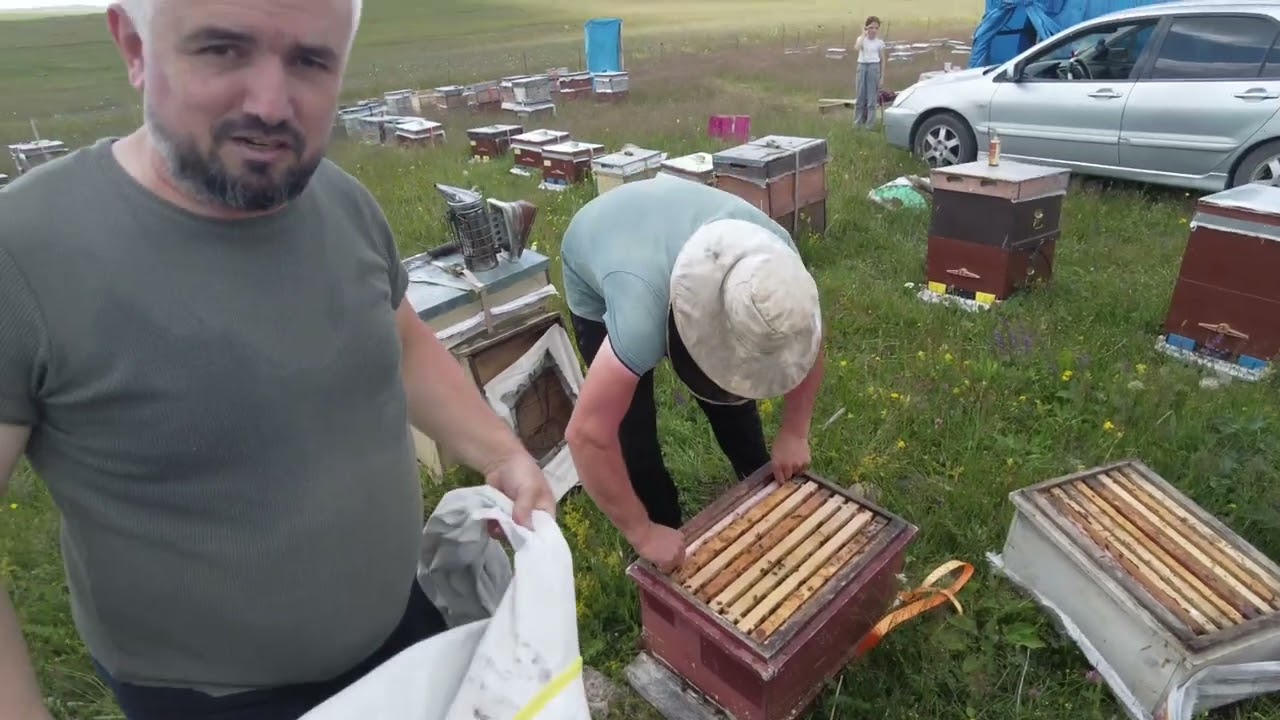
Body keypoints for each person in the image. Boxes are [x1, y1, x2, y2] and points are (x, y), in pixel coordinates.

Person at [0, 1, 556, 718]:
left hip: (405, 634)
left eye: (309, 61)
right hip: (215, 701)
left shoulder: (344, 203)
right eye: (222, 49)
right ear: (134, 45)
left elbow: (404, 343)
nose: (270, 104)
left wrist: (500, 452)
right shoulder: (24, 252)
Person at [561, 174, 826, 573]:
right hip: (601, 240)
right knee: (633, 425)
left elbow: (809, 335)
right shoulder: (640, 317)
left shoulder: (776, 266)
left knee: (732, 400)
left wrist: (795, 432)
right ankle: (660, 520)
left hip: (666, 224)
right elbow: (587, 436)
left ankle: (756, 474)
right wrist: (642, 533)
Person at [854, 15, 887, 128]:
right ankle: (857, 124)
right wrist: (863, 34)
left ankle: (870, 125)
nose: (874, 30)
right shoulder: (861, 39)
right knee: (860, 97)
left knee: (872, 99)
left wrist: (882, 77)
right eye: (871, 27)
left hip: (874, 67)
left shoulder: (879, 43)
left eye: (876, 28)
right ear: (867, 28)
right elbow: (857, 47)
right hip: (862, 66)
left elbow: (882, 60)